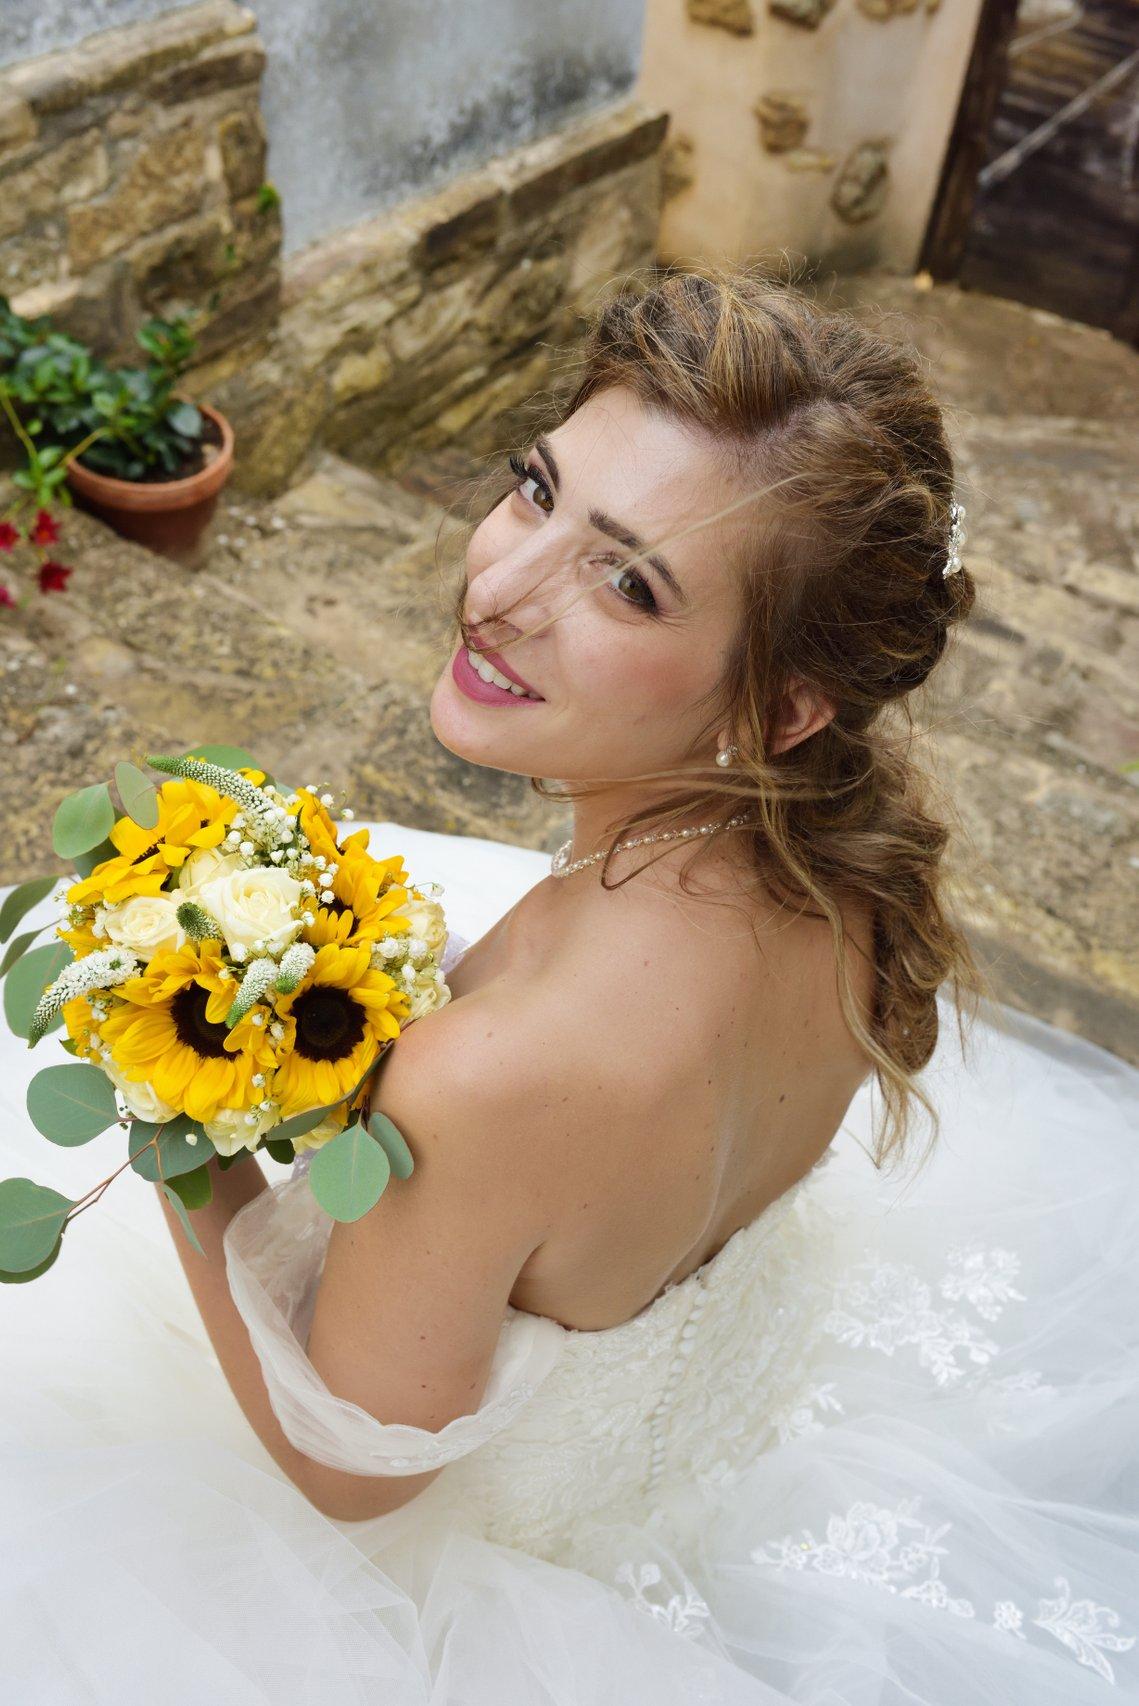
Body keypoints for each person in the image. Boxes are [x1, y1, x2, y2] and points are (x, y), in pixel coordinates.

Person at [1, 265, 1136, 1705]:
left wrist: (167, 1074)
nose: (500, 587)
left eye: (628, 577)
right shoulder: (849, 869)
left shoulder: (494, 1073)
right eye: (537, 490)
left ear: (782, 702)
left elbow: (350, 1471)